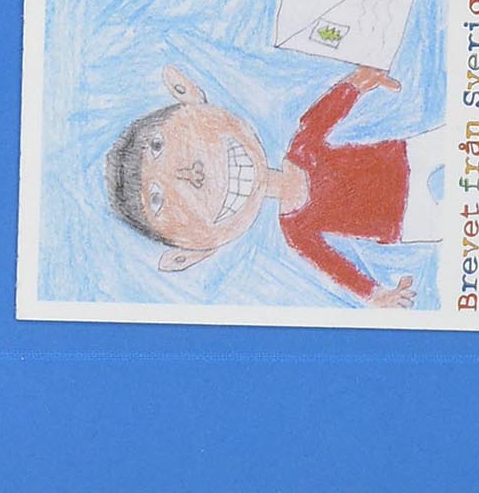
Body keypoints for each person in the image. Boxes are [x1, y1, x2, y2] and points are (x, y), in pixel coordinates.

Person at [105, 62, 450, 308]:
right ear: (190, 254)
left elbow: (325, 113)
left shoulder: (302, 147)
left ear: (190, 93)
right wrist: (376, 295)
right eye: (157, 200)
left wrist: (358, 82)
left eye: (158, 146)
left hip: (406, 156)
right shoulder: (296, 231)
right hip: (404, 221)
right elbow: (337, 267)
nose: (191, 175)